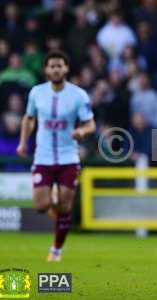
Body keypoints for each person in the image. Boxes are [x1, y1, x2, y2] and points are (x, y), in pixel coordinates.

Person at [16, 51, 96, 262]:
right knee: (41, 207)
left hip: (68, 157)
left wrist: (82, 132)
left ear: (66, 68)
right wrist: (23, 142)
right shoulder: (36, 93)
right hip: (43, 156)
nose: (56, 69)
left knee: (65, 206)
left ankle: (56, 250)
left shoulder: (78, 95)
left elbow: (90, 124)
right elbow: (29, 118)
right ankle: (51, 198)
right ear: (46, 70)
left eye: (59, 65)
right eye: (52, 66)